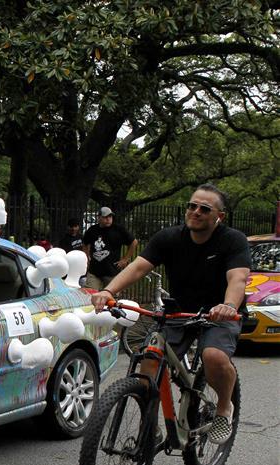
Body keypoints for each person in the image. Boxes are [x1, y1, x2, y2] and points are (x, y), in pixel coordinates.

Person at [90, 184, 251, 444]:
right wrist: (108, 291)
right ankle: (150, 426)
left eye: (204, 209)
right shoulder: (169, 238)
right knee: (149, 362)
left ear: (219, 216)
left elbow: (238, 278)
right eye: (192, 206)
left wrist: (229, 306)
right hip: (179, 311)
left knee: (214, 356)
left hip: (219, 313)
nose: (196, 212)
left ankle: (223, 408)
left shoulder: (232, 240)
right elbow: (139, 267)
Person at [82, 207, 138, 289]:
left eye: (110, 217)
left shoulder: (118, 229)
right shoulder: (92, 230)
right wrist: (86, 257)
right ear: (99, 217)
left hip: (112, 271)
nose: (108, 219)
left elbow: (134, 242)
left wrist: (125, 259)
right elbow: (84, 243)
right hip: (94, 271)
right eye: (105, 217)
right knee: (90, 295)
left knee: (110, 299)